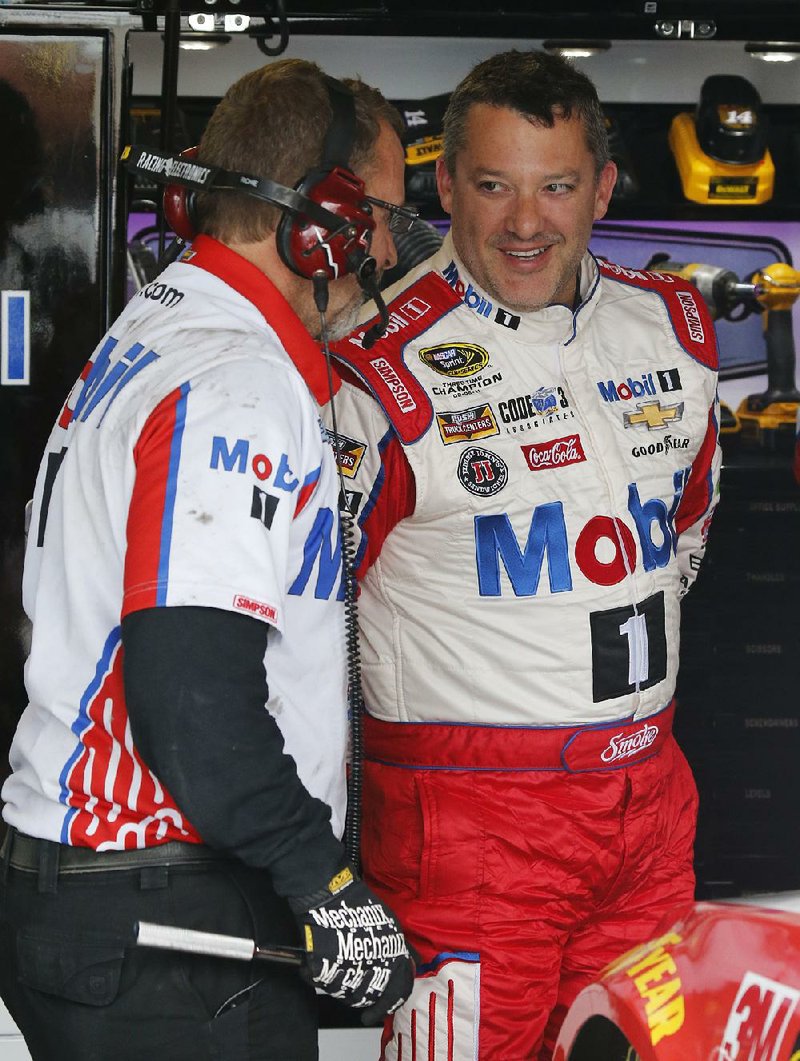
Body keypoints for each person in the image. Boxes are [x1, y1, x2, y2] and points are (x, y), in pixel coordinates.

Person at [0, 58, 415, 1061]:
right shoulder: (232, 381)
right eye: (383, 217)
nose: (391, 248)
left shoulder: (164, 328)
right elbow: (190, 694)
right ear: (320, 225)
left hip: (116, 896)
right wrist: (322, 880)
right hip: (160, 910)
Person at [326, 49, 721, 1060]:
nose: (524, 221)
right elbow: (313, 618)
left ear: (600, 186)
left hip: (645, 803)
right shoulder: (376, 370)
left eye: (554, 185)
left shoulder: (670, 328)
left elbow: (678, 535)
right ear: (445, 183)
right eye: (493, 185)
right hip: (465, 830)